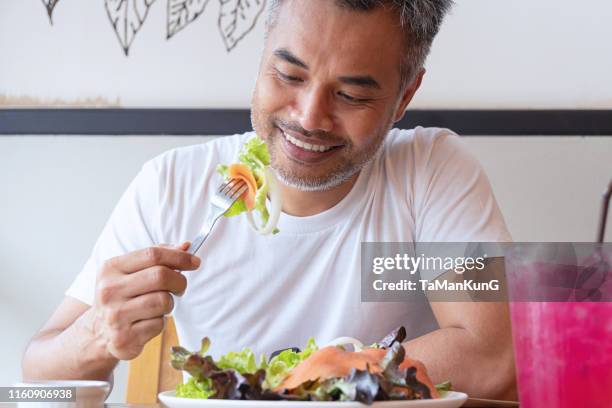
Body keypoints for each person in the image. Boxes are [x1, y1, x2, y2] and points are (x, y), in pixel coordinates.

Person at [22, 0, 516, 400]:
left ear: (404, 96)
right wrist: (95, 335)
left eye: (349, 95)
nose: (308, 118)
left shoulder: (431, 170)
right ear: (261, 60)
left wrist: (294, 387)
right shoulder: (171, 185)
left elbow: (493, 355)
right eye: (288, 75)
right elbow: (37, 383)